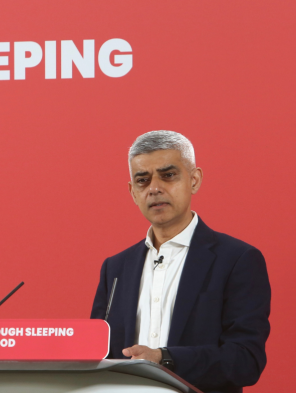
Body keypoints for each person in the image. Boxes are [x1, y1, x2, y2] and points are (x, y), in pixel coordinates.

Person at [91, 130, 271, 393]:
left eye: (168, 175)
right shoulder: (116, 268)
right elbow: (98, 353)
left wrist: (164, 358)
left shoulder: (237, 260)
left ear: (194, 180)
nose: (154, 188)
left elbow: (245, 361)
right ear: (132, 192)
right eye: (143, 180)